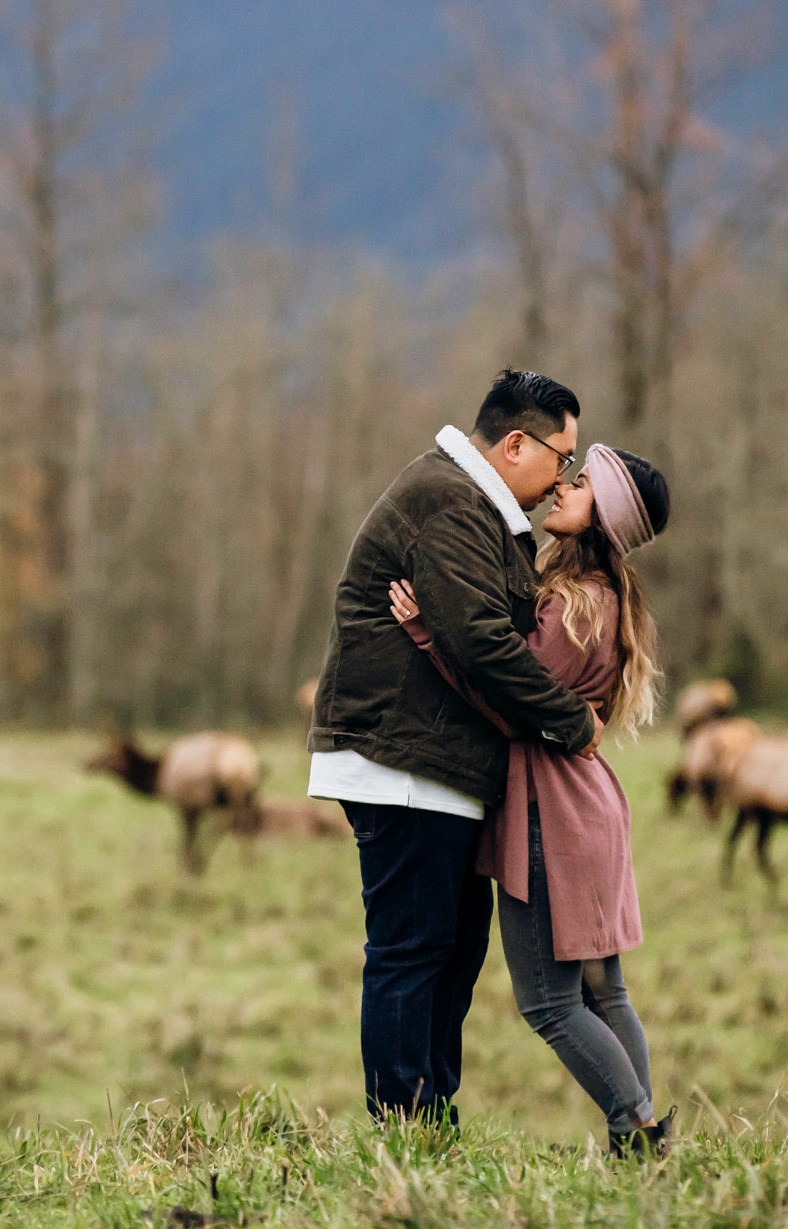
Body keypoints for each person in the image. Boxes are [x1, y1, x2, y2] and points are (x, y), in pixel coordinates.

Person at [306, 369, 604, 1126]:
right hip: (401, 762)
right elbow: (483, 644)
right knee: (413, 948)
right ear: (514, 443)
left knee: (453, 947)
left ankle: (430, 1117)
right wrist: (572, 722)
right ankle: (405, 1125)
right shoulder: (446, 503)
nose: (560, 477)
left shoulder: (478, 507)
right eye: (559, 458)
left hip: (439, 767)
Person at [389, 443, 676, 1158]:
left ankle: (636, 1128)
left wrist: (429, 633)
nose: (562, 489)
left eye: (579, 485)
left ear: (601, 515)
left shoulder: (575, 606)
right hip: (587, 803)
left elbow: (509, 694)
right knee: (606, 992)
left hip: (553, 809)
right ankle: (638, 1141)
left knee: (550, 1001)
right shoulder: (603, 599)